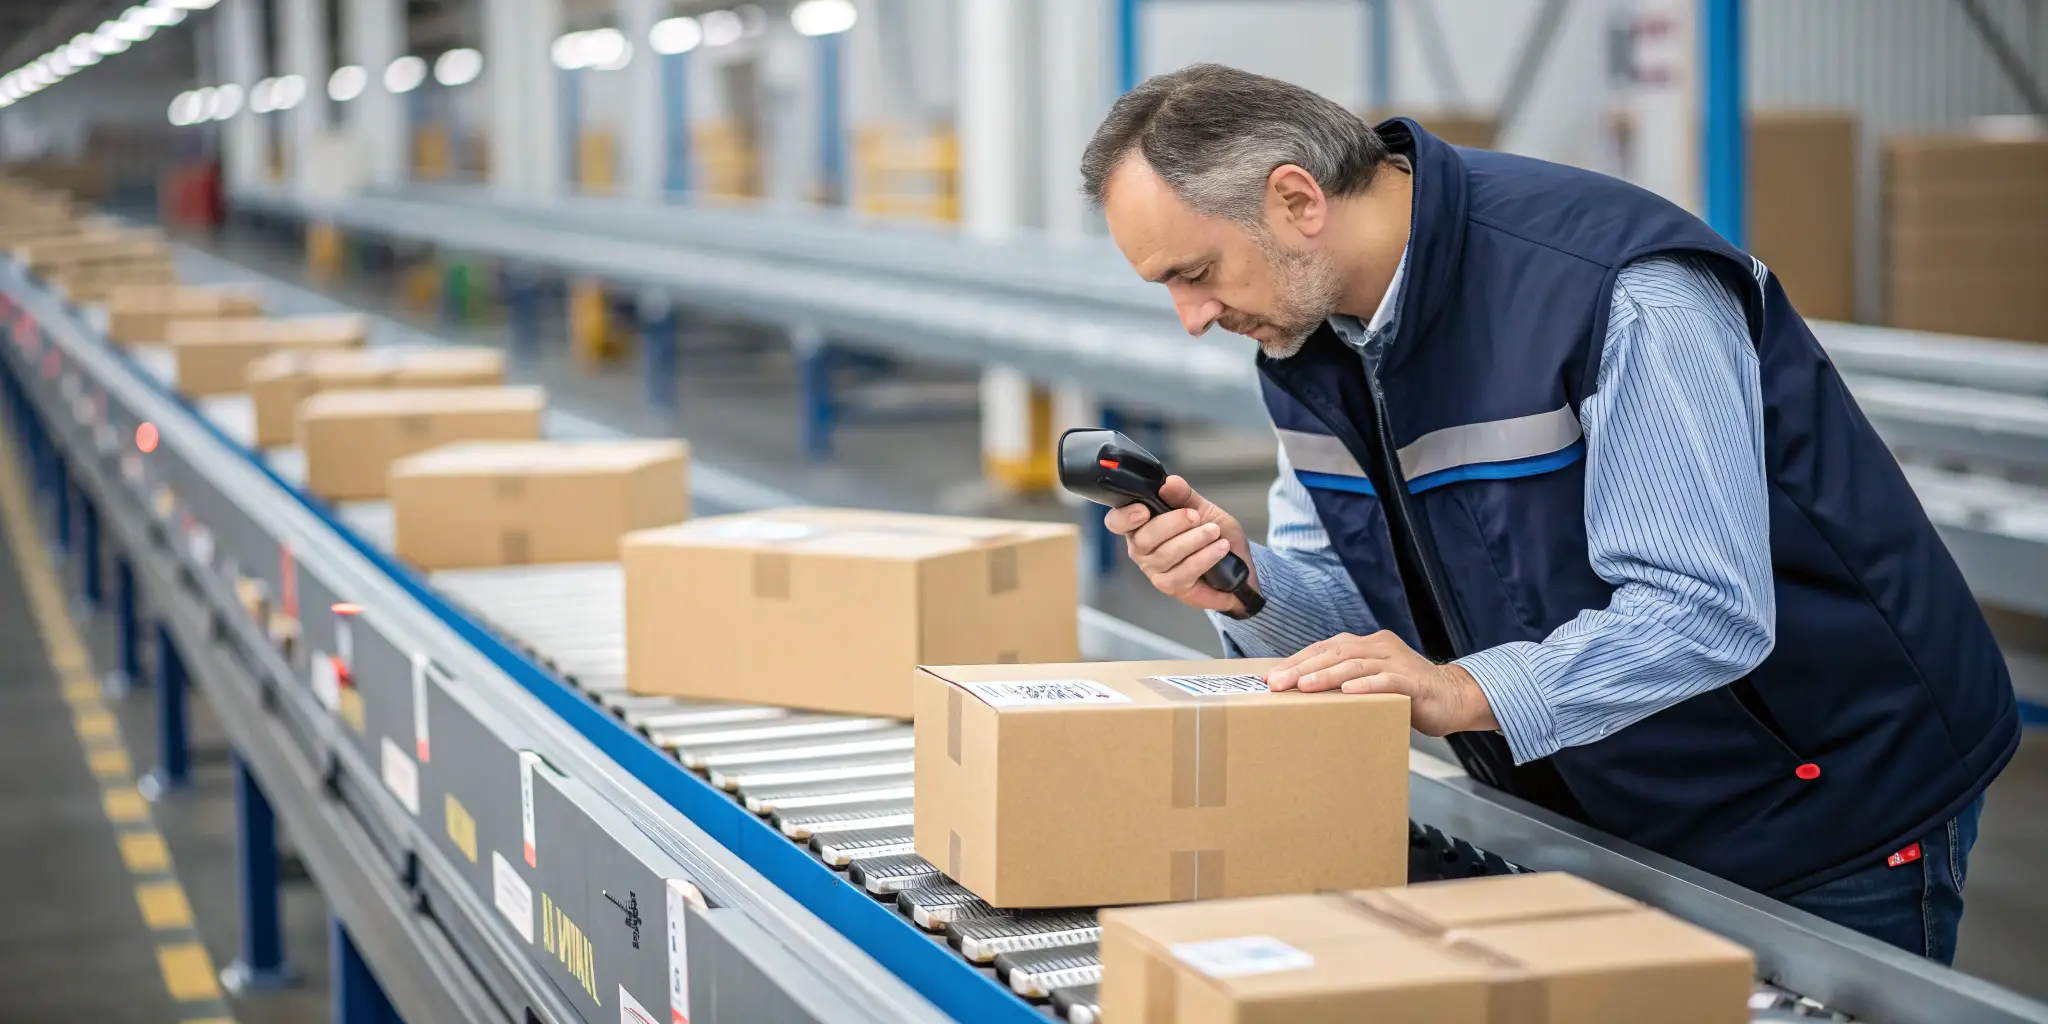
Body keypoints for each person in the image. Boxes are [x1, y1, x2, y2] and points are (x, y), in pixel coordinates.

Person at [1081, 64, 2017, 964]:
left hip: (1825, 803)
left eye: (1195, 271)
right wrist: (1246, 588)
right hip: (1593, 802)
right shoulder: (1314, 353)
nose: (1190, 317)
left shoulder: (1612, 286)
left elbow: (1704, 610)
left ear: (1296, 200)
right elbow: (1362, 623)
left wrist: (1468, 694)